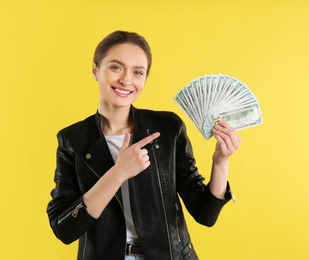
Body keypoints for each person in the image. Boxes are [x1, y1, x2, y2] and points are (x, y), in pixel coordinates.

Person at [46, 30, 241, 260]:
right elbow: (65, 228)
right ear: (95, 71)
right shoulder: (72, 140)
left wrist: (221, 162)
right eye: (116, 67)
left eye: (138, 72)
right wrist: (118, 173)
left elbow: (205, 215)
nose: (126, 80)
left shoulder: (168, 128)